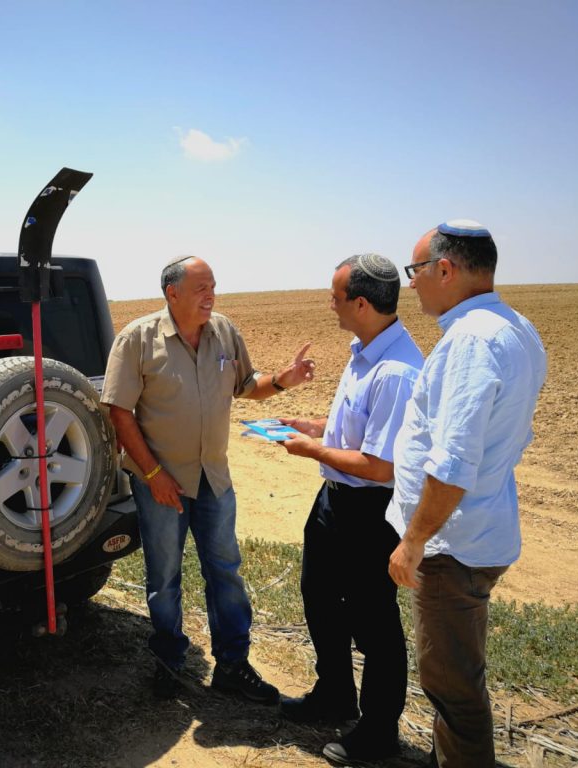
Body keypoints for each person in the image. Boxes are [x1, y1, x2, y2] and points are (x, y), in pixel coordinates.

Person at [101, 255, 315, 701]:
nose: (211, 296)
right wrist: (154, 474)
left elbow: (247, 385)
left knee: (226, 572)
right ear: (172, 293)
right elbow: (118, 412)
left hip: (214, 479)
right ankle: (169, 661)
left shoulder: (224, 332)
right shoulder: (138, 339)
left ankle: (233, 666)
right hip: (161, 482)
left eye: (213, 286)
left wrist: (284, 380)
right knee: (165, 576)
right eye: (201, 288)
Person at [387, 220, 547, 767]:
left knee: (452, 689)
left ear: (445, 270)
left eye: (416, 272)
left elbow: (452, 465)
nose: (412, 285)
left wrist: (413, 541)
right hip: (480, 529)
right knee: (457, 677)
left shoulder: (471, 340)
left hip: (452, 546)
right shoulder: (516, 327)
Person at [275, 254, 422, 764]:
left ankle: (378, 731)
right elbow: (358, 428)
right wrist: (317, 427)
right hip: (335, 500)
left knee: (373, 620)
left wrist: (311, 450)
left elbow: (380, 467)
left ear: (361, 303)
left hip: (370, 509)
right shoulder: (364, 352)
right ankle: (333, 694)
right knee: (318, 594)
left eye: (335, 297)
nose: (330, 304)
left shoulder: (397, 372)